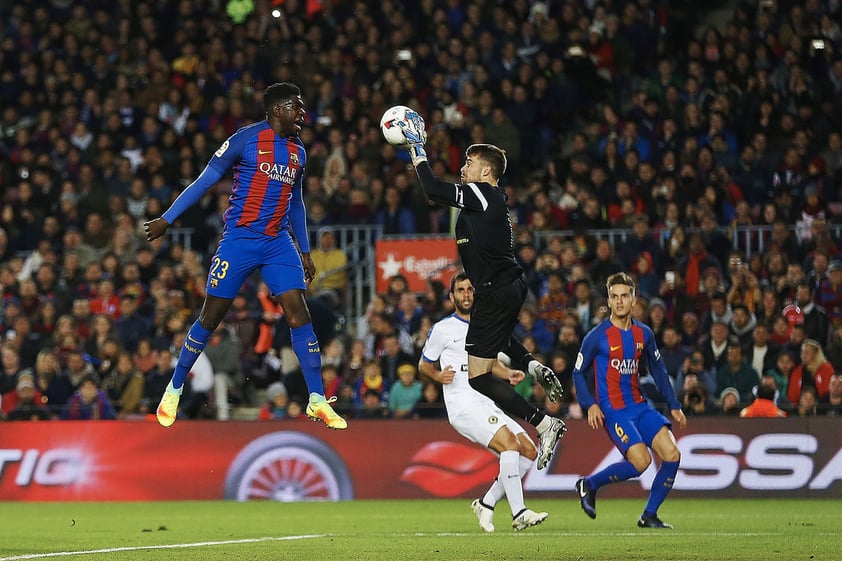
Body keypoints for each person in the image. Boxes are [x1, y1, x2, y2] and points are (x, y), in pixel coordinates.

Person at [143, 82, 345, 430]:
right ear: (277, 110)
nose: (302, 114)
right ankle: (174, 388)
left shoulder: (299, 151)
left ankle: (317, 399)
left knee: (298, 311)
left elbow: (296, 202)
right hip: (239, 239)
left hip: (279, 242)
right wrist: (167, 219)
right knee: (210, 317)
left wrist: (306, 251)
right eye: (296, 107)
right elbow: (204, 181)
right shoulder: (245, 139)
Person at [399, 116, 565, 469]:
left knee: (478, 377)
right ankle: (532, 364)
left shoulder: (483, 193)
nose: (463, 168)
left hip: (496, 288)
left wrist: (417, 150)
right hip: (506, 287)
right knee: (495, 338)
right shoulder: (486, 200)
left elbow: (433, 190)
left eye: (469, 163)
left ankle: (544, 423)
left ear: (487, 171)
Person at [419, 273, 548, 532]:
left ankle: (486, 504)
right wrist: (436, 375)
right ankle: (519, 512)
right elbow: (424, 364)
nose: (466, 294)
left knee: (529, 451)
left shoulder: (485, 326)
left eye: (470, 289)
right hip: (463, 406)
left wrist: (507, 372)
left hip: (486, 400)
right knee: (509, 446)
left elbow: (486, 364)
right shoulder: (443, 329)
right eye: (461, 290)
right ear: (451, 296)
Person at [572, 272, 687, 529]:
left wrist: (674, 404)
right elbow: (578, 372)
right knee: (641, 462)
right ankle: (588, 484)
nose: (620, 301)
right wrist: (589, 403)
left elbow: (658, 371)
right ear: (609, 301)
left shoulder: (644, 334)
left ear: (634, 299)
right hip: (614, 410)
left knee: (672, 455)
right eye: (615, 297)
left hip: (640, 406)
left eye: (625, 296)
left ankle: (649, 515)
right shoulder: (597, 336)